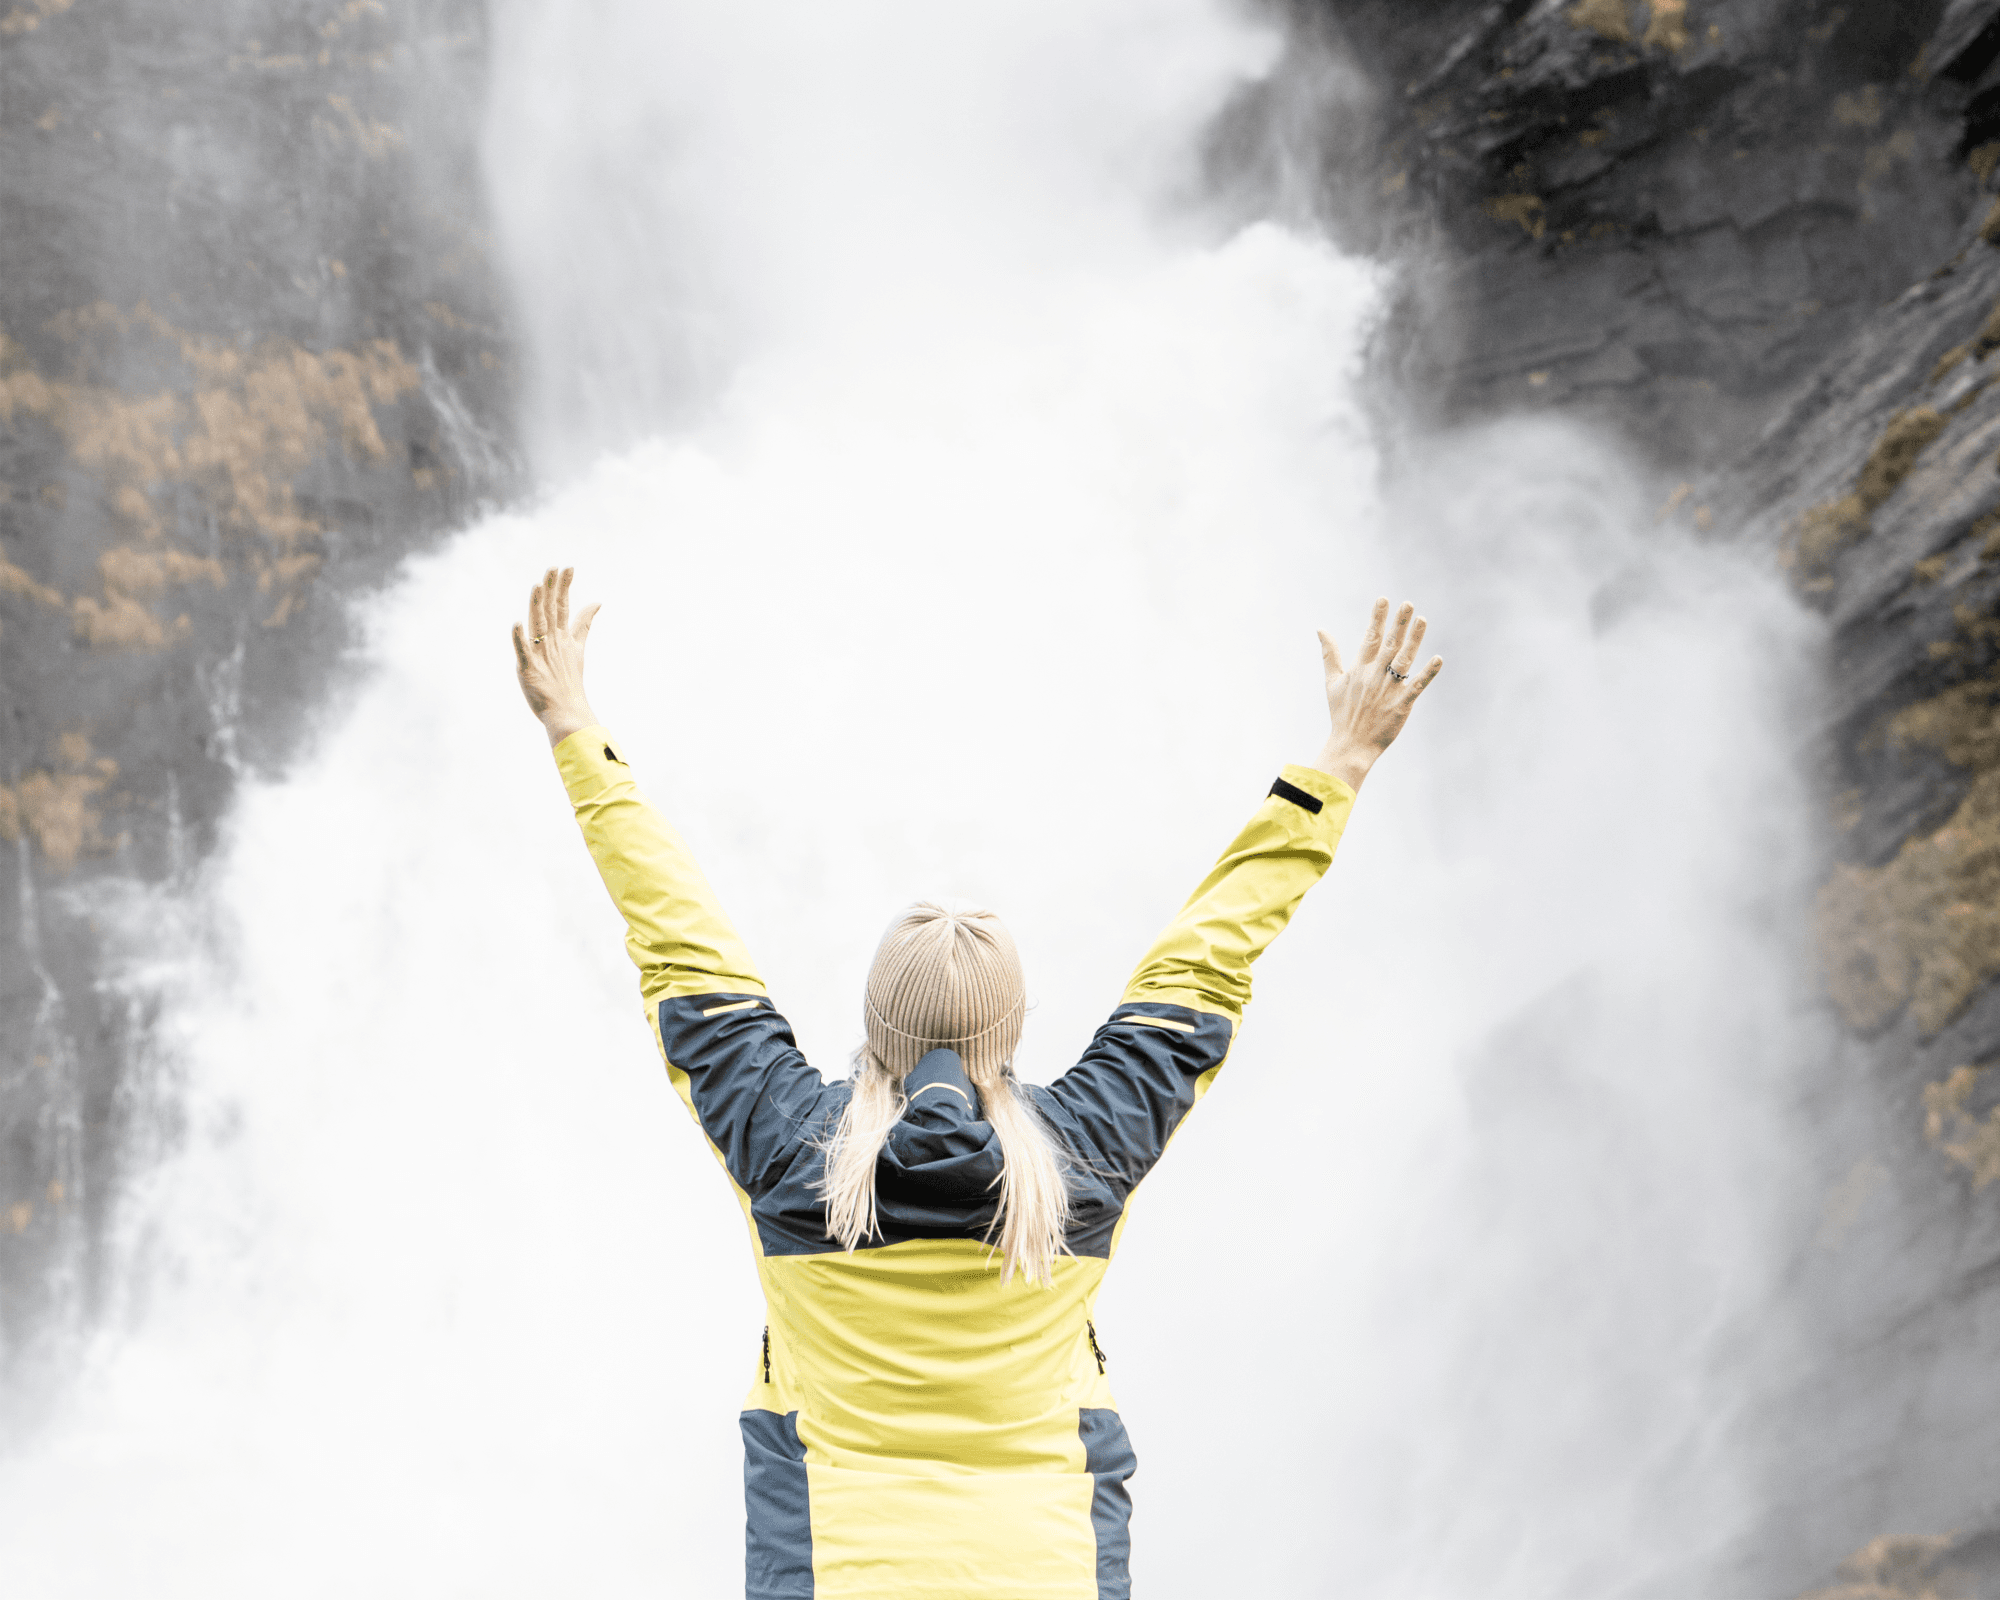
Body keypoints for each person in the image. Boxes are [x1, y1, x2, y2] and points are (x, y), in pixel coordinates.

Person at [512, 566, 1442, 1600]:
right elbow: (1202, 965)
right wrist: (1341, 761)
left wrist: (573, 726)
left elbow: (680, 943)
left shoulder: (786, 1146)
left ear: (874, 1024)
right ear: (1012, 1029)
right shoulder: (1087, 1150)